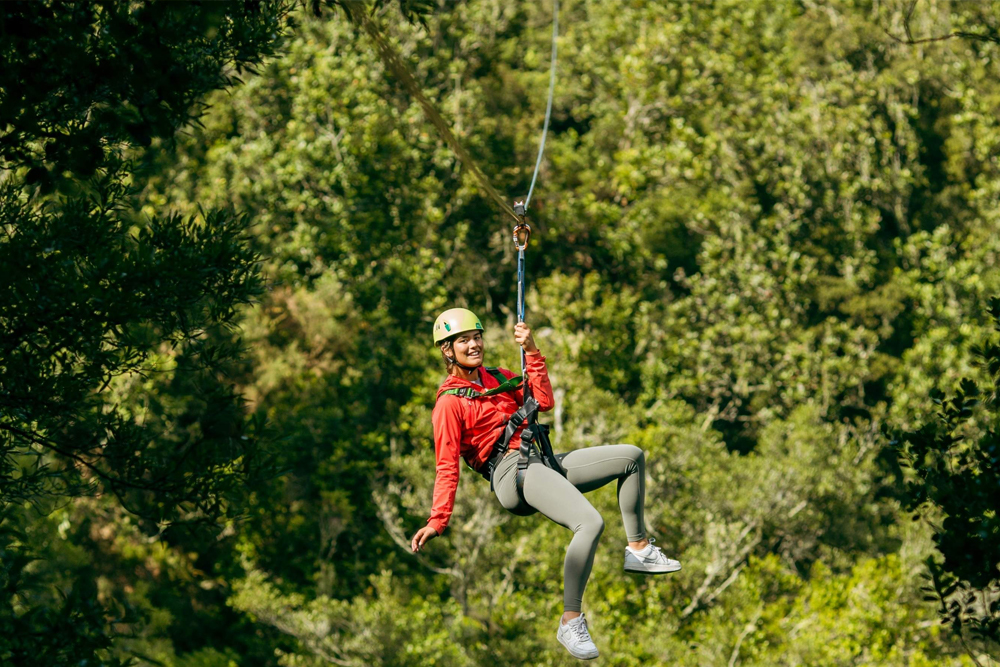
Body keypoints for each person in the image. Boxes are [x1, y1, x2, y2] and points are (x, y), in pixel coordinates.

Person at [409, 308, 681, 660]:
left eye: (477, 337)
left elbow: (544, 401)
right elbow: (446, 466)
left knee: (631, 457)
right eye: (464, 341)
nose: (474, 345)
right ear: (447, 350)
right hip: (511, 474)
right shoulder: (449, 404)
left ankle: (640, 549)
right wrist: (438, 520)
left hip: (538, 460)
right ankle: (570, 620)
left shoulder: (498, 377)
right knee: (590, 522)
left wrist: (532, 350)